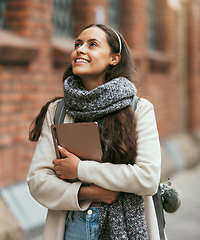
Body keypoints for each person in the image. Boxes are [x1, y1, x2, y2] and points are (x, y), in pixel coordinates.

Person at [27, 23, 162, 240]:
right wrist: (86, 192)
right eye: (78, 44)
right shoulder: (58, 110)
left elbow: (147, 178)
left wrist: (80, 169)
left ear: (114, 58)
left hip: (127, 225)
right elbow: (37, 180)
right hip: (73, 225)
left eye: (93, 44)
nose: (80, 49)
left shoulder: (139, 109)